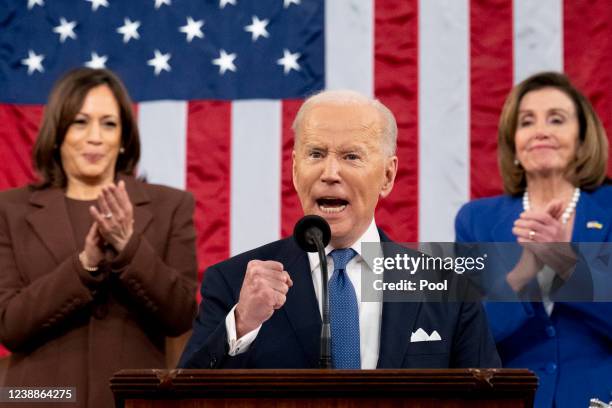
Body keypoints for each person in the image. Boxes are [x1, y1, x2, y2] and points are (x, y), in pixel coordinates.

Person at [179, 90, 500, 370]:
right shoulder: (234, 283)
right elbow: (184, 397)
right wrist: (243, 322)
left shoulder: (444, 287)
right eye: (316, 154)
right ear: (294, 169)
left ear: (387, 176)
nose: (330, 172)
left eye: (351, 156)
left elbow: (489, 399)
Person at [0, 68, 198, 408]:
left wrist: (128, 248)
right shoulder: (10, 209)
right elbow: (9, 325)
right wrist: (84, 265)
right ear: (58, 133)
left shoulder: (171, 206)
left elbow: (181, 315)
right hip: (39, 400)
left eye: (109, 123)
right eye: (80, 122)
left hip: (136, 401)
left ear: (123, 137)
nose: (95, 136)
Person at [455, 72, 612, 408]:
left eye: (556, 119)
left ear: (583, 140)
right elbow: (467, 340)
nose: (541, 130)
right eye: (527, 122)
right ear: (514, 144)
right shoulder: (476, 221)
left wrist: (566, 263)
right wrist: (521, 274)